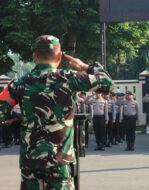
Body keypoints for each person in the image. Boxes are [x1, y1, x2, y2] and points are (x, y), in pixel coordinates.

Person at [0, 35, 113, 190]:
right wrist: (86, 67)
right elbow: (108, 84)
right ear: (59, 56)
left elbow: (1, 112)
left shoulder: (19, 84)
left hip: (30, 161)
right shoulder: (70, 78)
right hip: (60, 161)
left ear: (34, 56)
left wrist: (18, 119)